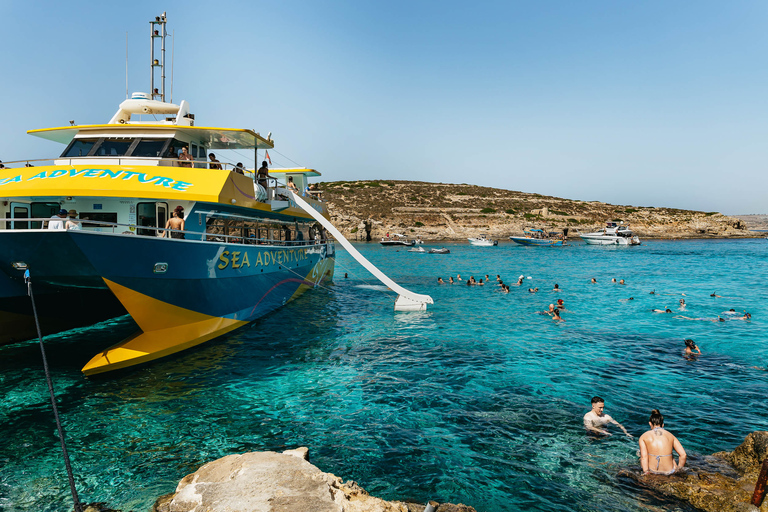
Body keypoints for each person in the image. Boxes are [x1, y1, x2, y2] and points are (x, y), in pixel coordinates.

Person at [639, 409, 686, 475]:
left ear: (650, 423)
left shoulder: (644, 436)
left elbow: (644, 457)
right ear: (662, 425)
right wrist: (678, 470)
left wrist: (646, 472)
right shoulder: (671, 436)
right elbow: (683, 455)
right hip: (670, 471)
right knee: (671, 457)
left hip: (653, 471)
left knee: (641, 456)